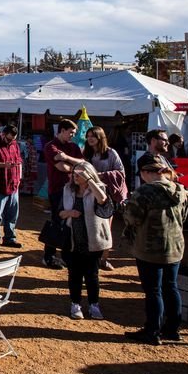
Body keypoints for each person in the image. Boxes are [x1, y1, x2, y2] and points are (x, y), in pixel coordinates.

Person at [123, 154, 188, 345]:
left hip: (150, 248)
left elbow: (132, 218)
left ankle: (152, 331)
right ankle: (173, 329)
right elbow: (185, 216)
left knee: (153, 291)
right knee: (171, 287)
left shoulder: (145, 192)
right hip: (175, 247)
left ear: (145, 172)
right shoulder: (180, 190)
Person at [60, 161, 113, 321]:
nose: (76, 177)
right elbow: (59, 213)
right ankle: (75, 304)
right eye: (74, 173)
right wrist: (69, 213)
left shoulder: (99, 188)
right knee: (74, 274)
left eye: (80, 174)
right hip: (73, 239)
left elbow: (103, 200)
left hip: (94, 240)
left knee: (92, 275)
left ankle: (94, 304)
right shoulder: (68, 189)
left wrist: (89, 181)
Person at [83, 126, 126, 271]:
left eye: (93, 136)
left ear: (100, 137)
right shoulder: (86, 153)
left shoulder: (111, 153)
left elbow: (121, 172)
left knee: (106, 226)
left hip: (107, 195)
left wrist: (102, 175)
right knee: (90, 225)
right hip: (89, 195)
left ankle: (104, 259)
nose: (90, 139)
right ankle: (90, 257)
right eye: (88, 136)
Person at [42, 119, 84, 269]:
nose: (73, 135)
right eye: (71, 132)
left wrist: (67, 158)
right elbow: (61, 167)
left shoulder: (73, 146)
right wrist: (75, 167)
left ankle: (66, 254)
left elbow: (82, 162)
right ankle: (49, 256)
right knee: (57, 221)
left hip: (74, 189)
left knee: (70, 222)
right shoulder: (50, 146)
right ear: (62, 130)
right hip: (58, 189)